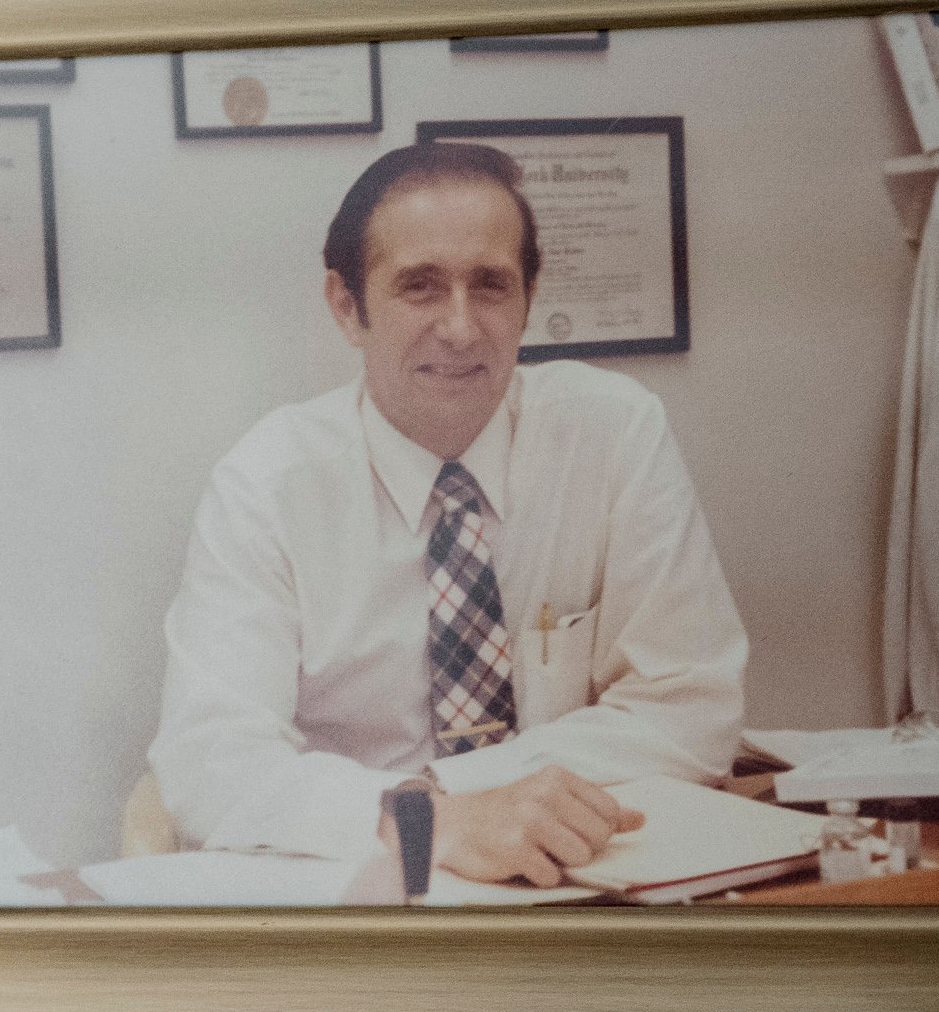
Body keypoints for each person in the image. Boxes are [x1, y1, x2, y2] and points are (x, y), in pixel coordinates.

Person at [149, 140, 748, 887]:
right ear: (347, 306)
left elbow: (692, 706)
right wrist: (430, 821)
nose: (461, 328)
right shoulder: (266, 486)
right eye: (421, 287)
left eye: (490, 285)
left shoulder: (616, 434)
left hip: (574, 881)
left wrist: (466, 792)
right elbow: (212, 763)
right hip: (367, 889)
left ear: (529, 296)